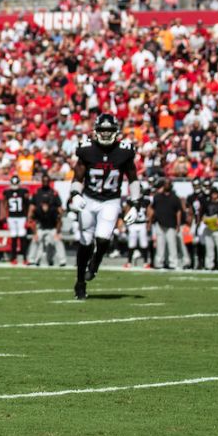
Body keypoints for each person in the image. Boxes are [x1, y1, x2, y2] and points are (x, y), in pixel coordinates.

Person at [69, 113, 141, 299]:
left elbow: (133, 179)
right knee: (85, 242)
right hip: (89, 198)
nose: (106, 134)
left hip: (110, 200)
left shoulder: (124, 151)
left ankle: (95, 263)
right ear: (96, 131)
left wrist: (135, 204)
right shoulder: (87, 150)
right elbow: (78, 176)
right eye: (103, 130)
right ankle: (80, 282)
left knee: (102, 238)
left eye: (110, 130)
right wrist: (75, 194)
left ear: (116, 131)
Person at [148, 179, 187, 270]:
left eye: (168, 184)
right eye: (165, 184)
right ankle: (159, 263)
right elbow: (152, 210)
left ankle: (173, 263)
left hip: (171, 224)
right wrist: (149, 222)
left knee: (172, 245)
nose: (166, 185)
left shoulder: (175, 198)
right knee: (160, 245)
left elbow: (178, 212)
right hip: (159, 224)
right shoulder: (157, 197)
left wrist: (178, 224)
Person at [29, 173, 66, 267]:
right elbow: (33, 220)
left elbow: (59, 220)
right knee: (36, 240)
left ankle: (61, 260)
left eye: (46, 204)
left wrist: (58, 233)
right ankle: (32, 259)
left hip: (52, 227)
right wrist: (35, 234)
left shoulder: (53, 209)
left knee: (56, 240)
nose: (44, 206)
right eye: (43, 204)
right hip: (41, 227)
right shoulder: (37, 209)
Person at [1, 175, 30, 265]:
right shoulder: (8, 192)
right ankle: (14, 258)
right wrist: (5, 216)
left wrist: (27, 217)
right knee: (14, 238)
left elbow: (27, 205)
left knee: (21, 238)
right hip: (12, 217)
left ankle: (24, 258)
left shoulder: (22, 191)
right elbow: (4, 204)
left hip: (20, 217)